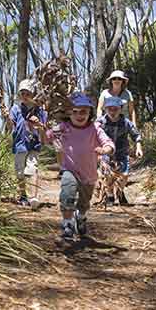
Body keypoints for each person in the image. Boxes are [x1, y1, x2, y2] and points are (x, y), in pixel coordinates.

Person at [46, 92, 114, 240]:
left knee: (84, 202)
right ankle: (67, 223)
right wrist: (41, 127)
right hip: (69, 169)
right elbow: (47, 136)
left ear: (90, 112)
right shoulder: (64, 127)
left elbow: (108, 143)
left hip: (89, 174)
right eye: (74, 112)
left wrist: (105, 150)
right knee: (67, 194)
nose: (79, 115)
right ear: (68, 114)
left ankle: (81, 217)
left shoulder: (95, 128)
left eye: (83, 111)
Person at [97, 96, 143, 205]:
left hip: (122, 152)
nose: (112, 112)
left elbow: (136, 135)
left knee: (124, 175)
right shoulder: (101, 122)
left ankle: (120, 192)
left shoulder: (126, 123)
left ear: (121, 109)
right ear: (105, 109)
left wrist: (138, 148)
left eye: (115, 109)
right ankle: (110, 196)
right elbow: (93, 135)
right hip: (106, 154)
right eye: (109, 109)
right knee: (107, 175)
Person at [9, 79, 47, 207]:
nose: (25, 96)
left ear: (33, 94)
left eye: (28, 93)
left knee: (32, 168)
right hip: (19, 144)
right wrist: (6, 118)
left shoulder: (40, 111)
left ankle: (34, 197)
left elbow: (44, 130)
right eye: (22, 93)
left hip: (34, 144)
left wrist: (38, 124)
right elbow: (11, 126)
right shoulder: (15, 108)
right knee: (20, 171)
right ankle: (23, 195)